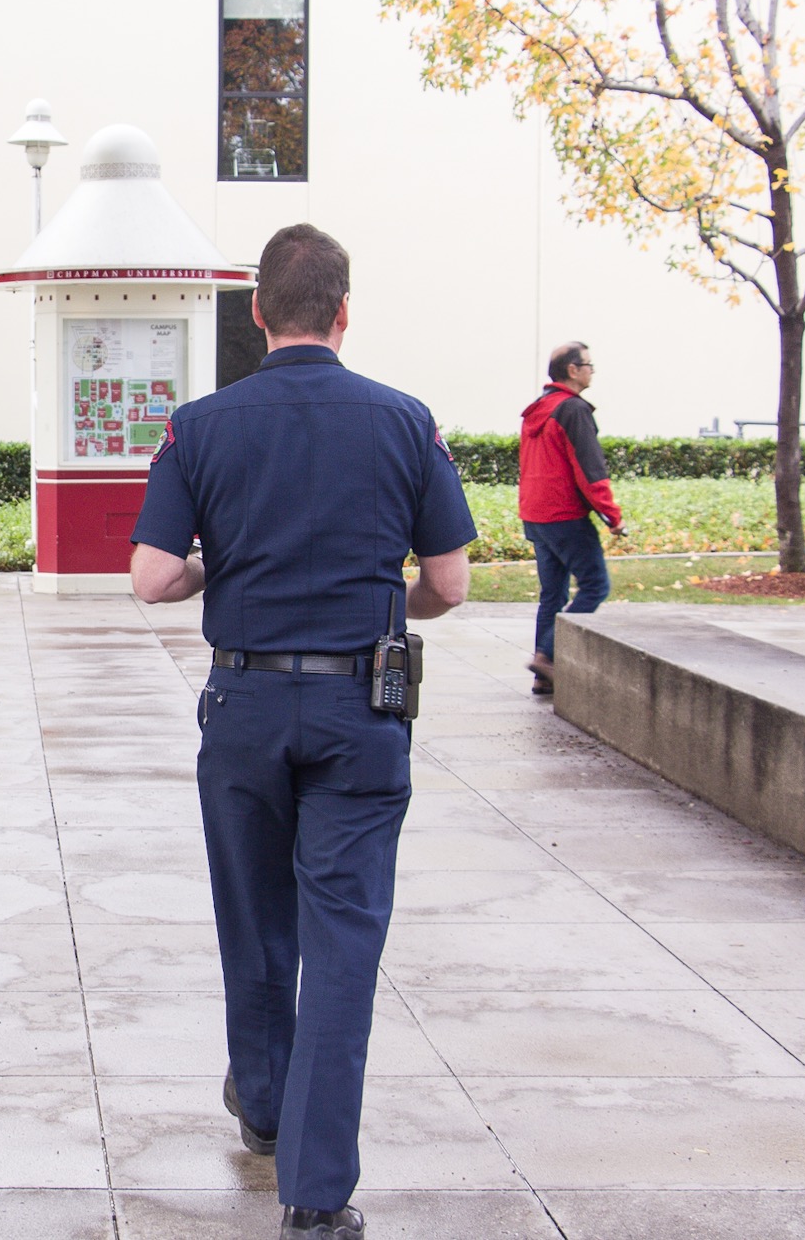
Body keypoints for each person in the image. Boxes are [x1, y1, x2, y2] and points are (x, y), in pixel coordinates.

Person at [130, 224, 475, 1240]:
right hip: (359, 712)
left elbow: (151, 577)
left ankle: (266, 1103)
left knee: (253, 917)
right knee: (340, 945)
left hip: (240, 708)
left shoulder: (199, 426)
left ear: (255, 313)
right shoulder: (404, 422)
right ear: (342, 311)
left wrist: (214, 570)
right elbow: (448, 583)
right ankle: (316, 1198)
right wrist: (386, 594)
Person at [518, 341, 623, 693]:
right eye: (588, 364)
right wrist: (613, 516)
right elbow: (589, 469)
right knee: (595, 585)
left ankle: (542, 677)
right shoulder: (573, 410)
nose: (592, 370)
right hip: (565, 515)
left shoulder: (538, 409)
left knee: (553, 594)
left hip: (535, 515)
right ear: (572, 370)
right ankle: (547, 656)